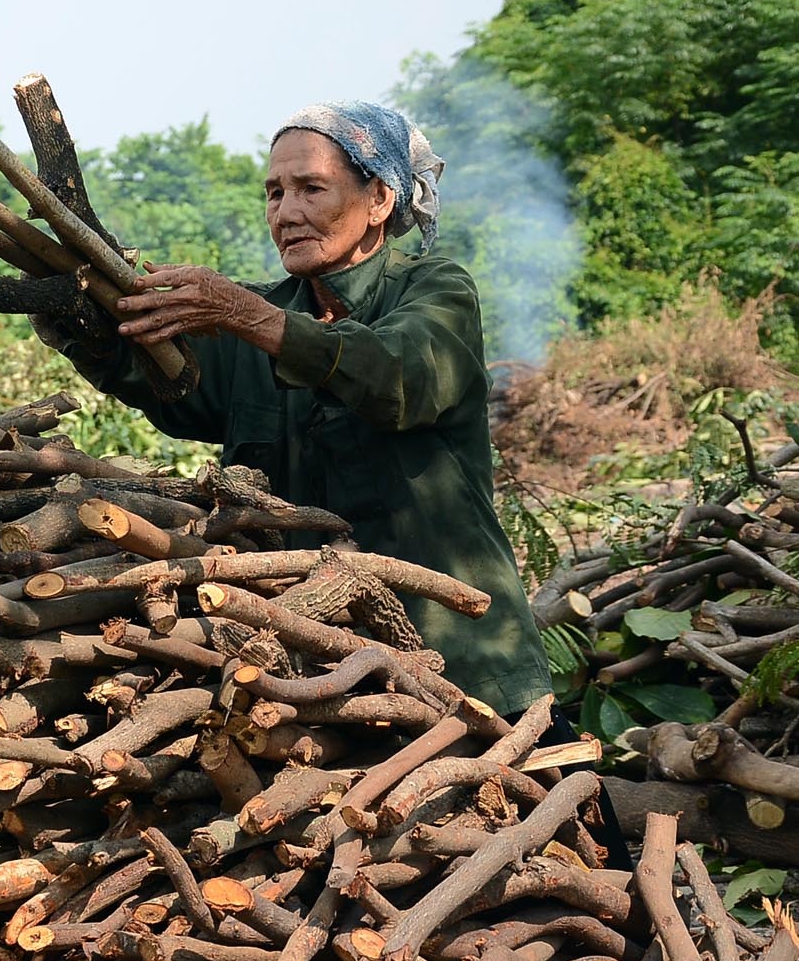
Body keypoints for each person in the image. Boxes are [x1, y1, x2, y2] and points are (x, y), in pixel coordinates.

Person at [35, 101, 551, 718]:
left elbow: (400, 378)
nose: (287, 213)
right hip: (314, 670)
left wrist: (248, 316)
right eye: (275, 193)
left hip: (465, 663)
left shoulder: (434, 290)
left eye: (311, 188)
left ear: (379, 199)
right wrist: (83, 323)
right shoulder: (252, 316)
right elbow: (174, 389)